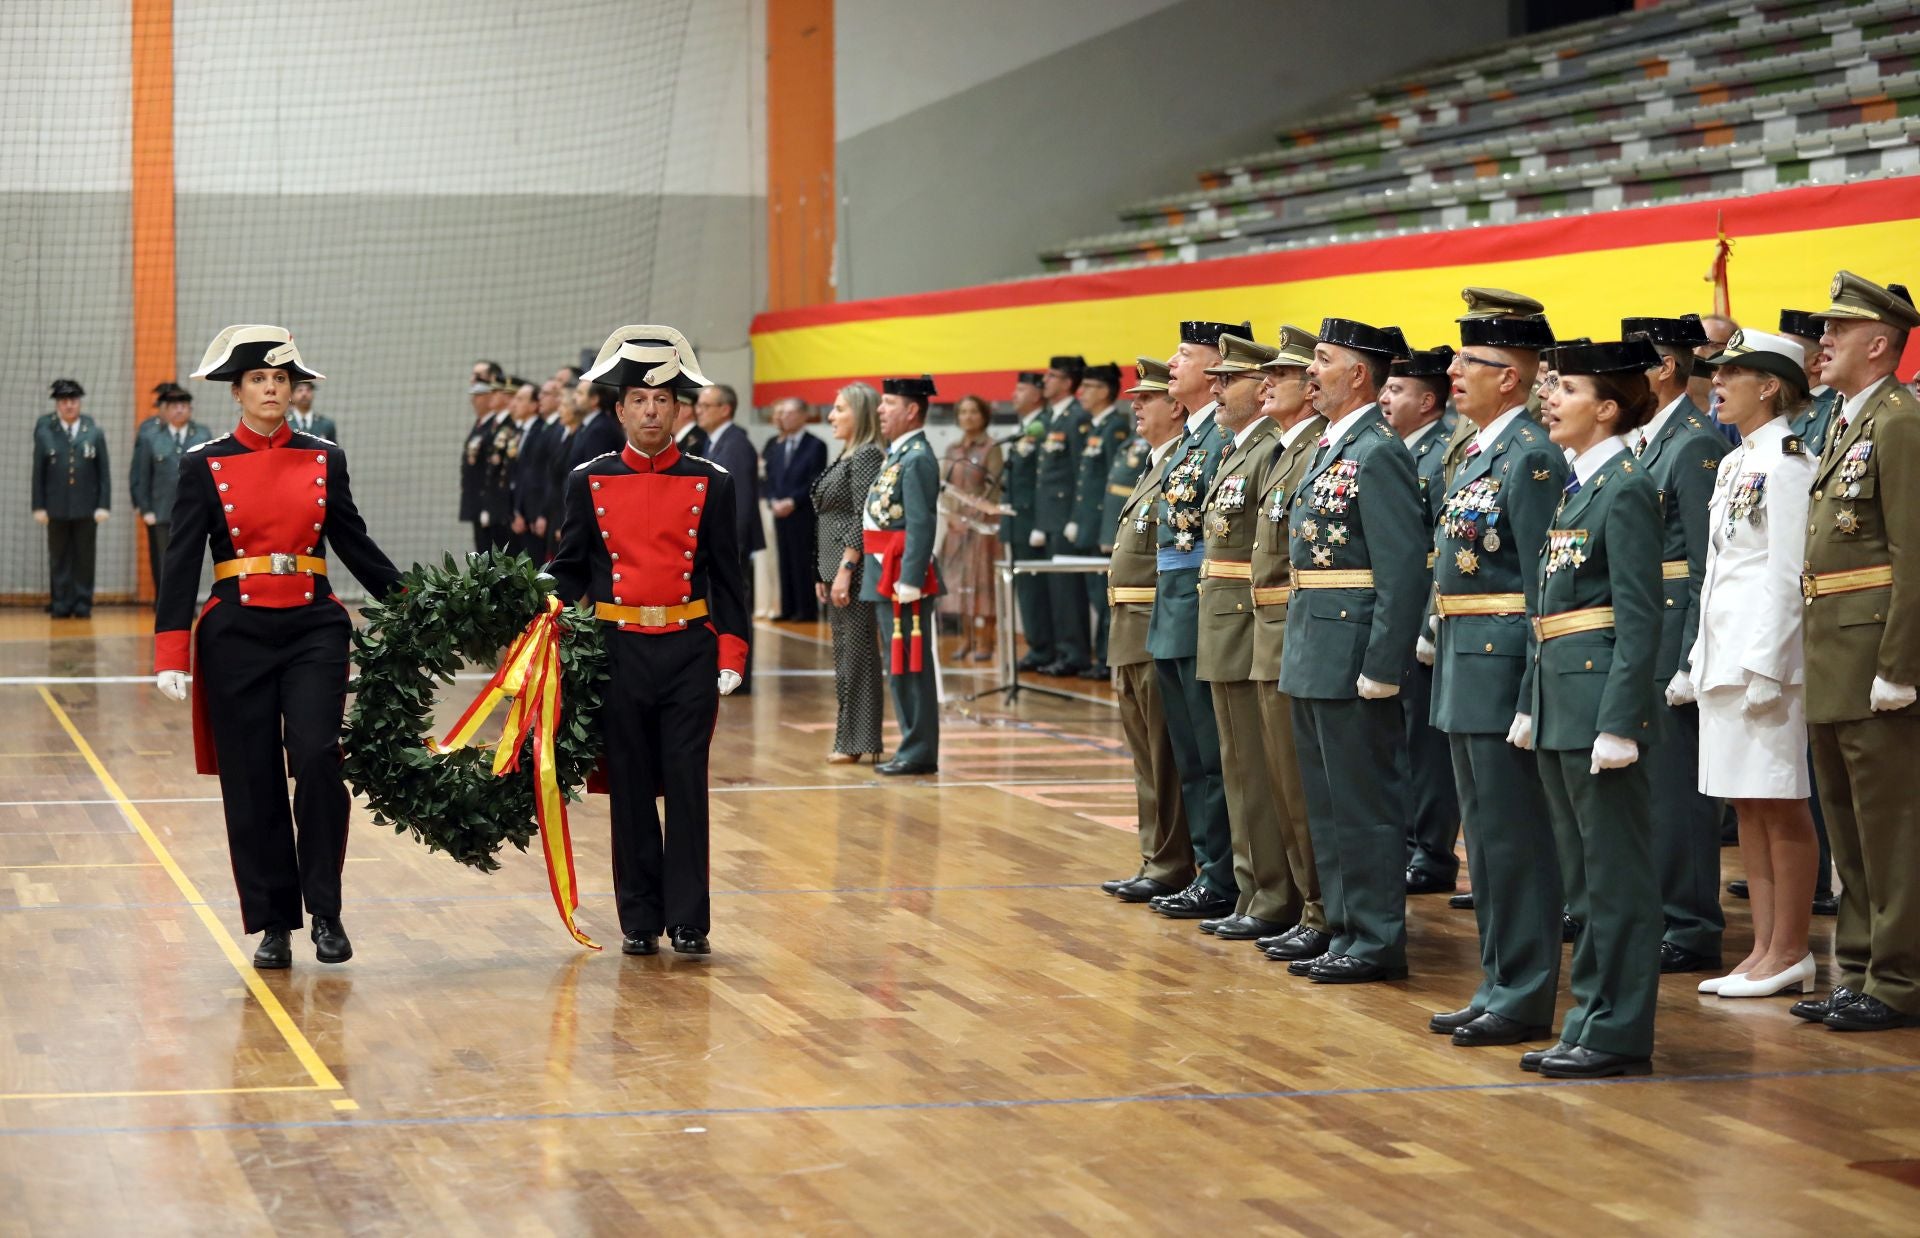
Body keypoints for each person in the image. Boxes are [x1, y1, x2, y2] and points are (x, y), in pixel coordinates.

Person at [152, 325, 402, 968]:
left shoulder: (325, 457)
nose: (271, 389)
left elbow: (356, 546)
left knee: (319, 757)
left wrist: (423, 605)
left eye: (281, 379)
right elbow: (180, 562)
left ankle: (326, 910)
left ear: (294, 390)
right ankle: (273, 923)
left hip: (314, 624)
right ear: (236, 392)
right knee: (252, 776)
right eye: (259, 379)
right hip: (235, 630)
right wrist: (170, 650)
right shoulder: (203, 463)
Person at [548, 324, 749, 957]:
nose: (652, 410)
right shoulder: (588, 478)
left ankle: (690, 919)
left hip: (689, 649)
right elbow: (572, 564)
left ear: (680, 409)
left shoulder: (712, 481)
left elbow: (728, 577)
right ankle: (639, 918)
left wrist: (732, 653)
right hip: (617, 650)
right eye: (639, 399)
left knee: (687, 784)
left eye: (663, 399)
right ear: (619, 409)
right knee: (630, 786)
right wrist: (532, 596)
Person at [1516, 337, 1664, 1078]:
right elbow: (1546, 610)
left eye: (1566, 388)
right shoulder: (1579, 486)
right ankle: (1589, 1017)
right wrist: (1527, 702)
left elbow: (1641, 618)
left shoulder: (1628, 488)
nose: (1550, 397)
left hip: (1597, 703)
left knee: (1616, 879)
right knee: (1584, 882)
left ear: (1606, 409)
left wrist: (1621, 720)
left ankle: (1619, 1030)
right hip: (1559, 700)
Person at [1425, 289, 1567, 1048]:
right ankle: (1497, 982)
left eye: (1469, 361)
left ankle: (1525, 992)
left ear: (1509, 376)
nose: (1452, 370)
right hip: (1465, 661)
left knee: (1515, 840)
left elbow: (1548, 579)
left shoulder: (1531, 457)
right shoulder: (1479, 449)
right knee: (1483, 842)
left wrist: (1531, 689)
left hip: (1505, 662)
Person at [1277, 318, 1427, 984]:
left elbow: (1400, 569)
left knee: (1364, 803)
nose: (1310, 370)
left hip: (1353, 650)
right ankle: (1340, 924)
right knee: (1328, 801)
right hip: (1314, 641)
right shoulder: (1330, 445)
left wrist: (1381, 663)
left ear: (1357, 374)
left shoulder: (1379, 451)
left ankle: (1375, 935)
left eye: (1322, 360)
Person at [1791, 272, 1920, 1032]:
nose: (1824, 341)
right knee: (1847, 821)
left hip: (1875, 654)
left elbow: (1912, 552)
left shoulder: (1900, 421)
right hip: (1835, 647)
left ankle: (1900, 980)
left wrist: (1901, 667)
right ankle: (1863, 966)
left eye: (1838, 330)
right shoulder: (1848, 418)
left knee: (1890, 827)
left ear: (1879, 344)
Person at [1687, 330, 1819, 999]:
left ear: (1769, 386)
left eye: (1732, 373)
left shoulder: (1790, 463)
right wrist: (1701, 656)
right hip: (1726, 654)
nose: (1717, 383)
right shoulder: (1739, 461)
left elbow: (1787, 573)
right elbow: (1720, 574)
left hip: (1765, 658)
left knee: (1780, 802)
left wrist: (1769, 664)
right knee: (1748, 804)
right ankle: (1762, 948)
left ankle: (1791, 948)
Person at [1625, 313, 1731, 976]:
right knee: (1646, 785)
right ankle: (1659, 910)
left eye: (1634, 361)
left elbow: (1703, 560)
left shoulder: (1692, 444)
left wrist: (1693, 653)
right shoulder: (1650, 440)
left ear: (1667, 367)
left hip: (1672, 628)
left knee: (1677, 789)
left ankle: (1691, 923)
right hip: (1644, 623)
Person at [1195, 334, 1294, 942]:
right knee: (1238, 766)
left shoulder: (1266, 451)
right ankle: (1255, 885)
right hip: (1228, 620)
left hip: (1253, 621)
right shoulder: (1246, 449)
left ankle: (1273, 893)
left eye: (1228, 380)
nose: (1217, 389)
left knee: (1260, 769)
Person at [1145, 321, 1242, 922]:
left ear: (1213, 371)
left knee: (1212, 755)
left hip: (1204, 609)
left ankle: (1222, 873)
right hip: (1175, 607)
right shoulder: (1187, 441)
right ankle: (1208, 865)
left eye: (1185, 355)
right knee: (1191, 755)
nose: (1172, 364)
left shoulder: (1218, 442)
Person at [1247, 326, 1332, 964]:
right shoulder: (1287, 449)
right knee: (1279, 780)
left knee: (1303, 787)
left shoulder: (1310, 450)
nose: (1265, 383)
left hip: (1294, 626)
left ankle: (1321, 909)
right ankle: (1307, 904)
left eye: (1283, 374)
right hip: (1269, 627)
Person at [1099, 358, 1192, 903]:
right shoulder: (1155, 464)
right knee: (1144, 754)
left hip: (1153, 622)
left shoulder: (1179, 464)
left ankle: (1172, 860)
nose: (1135, 406)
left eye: (1147, 398)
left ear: (1175, 406)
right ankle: (1156, 854)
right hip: (1127, 626)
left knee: (1164, 755)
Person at [1382, 344, 1462, 897]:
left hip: (1430, 609)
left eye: (1398, 390)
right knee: (1401, 738)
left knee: (1426, 744)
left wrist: (1429, 621)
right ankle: (1410, 841)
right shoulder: (1401, 449)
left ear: (1428, 401)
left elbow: (1438, 548)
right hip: (1406, 607)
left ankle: (1431, 851)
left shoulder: (1438, 453)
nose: (1386, 397)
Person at [862, 376, 943, 777]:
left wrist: (911, 577)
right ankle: (912, 743)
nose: (880, 410)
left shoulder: (917, 457)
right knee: (899, 666)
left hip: (901, 576)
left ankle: (919, 749)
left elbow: (921, 522)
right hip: (885, 570)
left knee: (910, 665)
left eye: (889, 403)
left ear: (912, 410)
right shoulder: (899, 454)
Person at [812, 383, 888, 763]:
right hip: (836, 570)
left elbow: (863, 517)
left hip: (853, 573)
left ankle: (859, 740)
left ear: (861, 414)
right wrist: (822, 571)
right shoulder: (849, 454)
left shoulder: (867, 456)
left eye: (840, 409)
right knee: (844, 658)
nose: (831, 416)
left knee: (857, 657)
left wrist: (843, 570)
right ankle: (851, 738)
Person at [1067, 362, 1132, 679]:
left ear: (1106, 391)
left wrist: (1106, 527)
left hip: (1104, 526)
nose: (1082, 393)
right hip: (1091, 527)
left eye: (1090, 387)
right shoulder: (1095, 427)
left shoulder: (1114, 428)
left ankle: (1107, 658)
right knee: (1095, 595)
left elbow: (1114, 486)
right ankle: (1099, 657)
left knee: (1104, 596)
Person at [697, 383, 764, 693]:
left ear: (725, 409)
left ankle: (740, 676)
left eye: (706, 405)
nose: (698, 409)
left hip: (731, 547)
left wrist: (729, 547)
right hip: (718, 546)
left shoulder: (735, 444)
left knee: (734, 607)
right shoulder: (715, 442)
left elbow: (740, 502)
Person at [1032, 355, 1092, 676]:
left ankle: (1075, 653)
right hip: (1051, 520)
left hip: (1066, 520)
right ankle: (1059, 650)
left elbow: (1078, 474)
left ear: (1068, 382)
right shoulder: (1052, 418)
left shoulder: (1076, 418)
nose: (1045, 381)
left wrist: (1074, 519)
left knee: (1068, 593)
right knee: (1054, 591)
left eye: (1052, 376)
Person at [31, 378, 110, 619]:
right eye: (64, 401)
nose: (69, 405)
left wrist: (103, 505)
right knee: (59, 558)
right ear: (57, 404)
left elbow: (103, 473)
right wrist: (39, 506)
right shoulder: (46, 433)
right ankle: (61, 604)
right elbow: (38, 473)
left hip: (87, 508)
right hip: (55, 508)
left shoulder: (93, 432)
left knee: (85, 558)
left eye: (73, 400)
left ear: (79, 403)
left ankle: (83, 603)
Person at [131, 382, 212, 607]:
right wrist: (145, 508)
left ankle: (187, 604)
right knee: (163, 561)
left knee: (189, 559)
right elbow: (143, 474)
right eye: (174, 406)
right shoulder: (151, 437)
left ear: (190, 409)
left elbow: (211, 474)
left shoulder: (203, 434)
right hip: (161, 511)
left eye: (184, 405)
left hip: (194, 512)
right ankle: (166, 605)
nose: (179, 409)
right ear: (165, 410)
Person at [938, 394, 1003, 659]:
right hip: (956, 527)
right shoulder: (953, 449)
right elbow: (944, 488)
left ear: (984, 415)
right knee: (960, 584)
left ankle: (986, 641)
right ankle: (967, 640)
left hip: (982, 528)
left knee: (983, 583)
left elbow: (994, 489)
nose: (968, 417)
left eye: (973, 412)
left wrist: (974, 517)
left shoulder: (990, 447)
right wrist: (950, 516)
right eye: (963, 412)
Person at [1001, 372, 1054, 670]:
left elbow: (1042, 479)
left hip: (1034, 522)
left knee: (1037, 591)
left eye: (1020, 389)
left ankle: (1044, 647)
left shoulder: (1044, 426)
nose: (1013, 395)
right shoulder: (1024, 427)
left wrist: (1039, 523)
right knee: (1026, 590)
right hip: (1016, 520)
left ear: (1036, 394)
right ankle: (1037, 646)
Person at [765, 397, 828, 622]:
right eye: (783, 413)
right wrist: (773, 500)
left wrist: (793, 501)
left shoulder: (816, 445)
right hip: (779, 510)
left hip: (801, 512)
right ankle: (788, 607)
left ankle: (806, 609)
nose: (785, 417)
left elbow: (814, 480)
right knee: (784, 559)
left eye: (790, 413)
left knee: (802, 560)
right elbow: (770, 478)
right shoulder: (778, 445)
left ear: (803, 415)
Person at [1779, 308, 1842, 455]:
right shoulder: (1779, 404)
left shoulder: (1835, 412)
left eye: (1784, 353)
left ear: (1816, 362)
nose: (1775, 361)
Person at [460, 361, 505, 552]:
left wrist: (488, 506)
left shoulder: (498, 427)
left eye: (479, 377)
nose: (473, 381)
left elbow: (494, 471)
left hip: (493, 508)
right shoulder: (480, 425)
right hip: (478, 505)